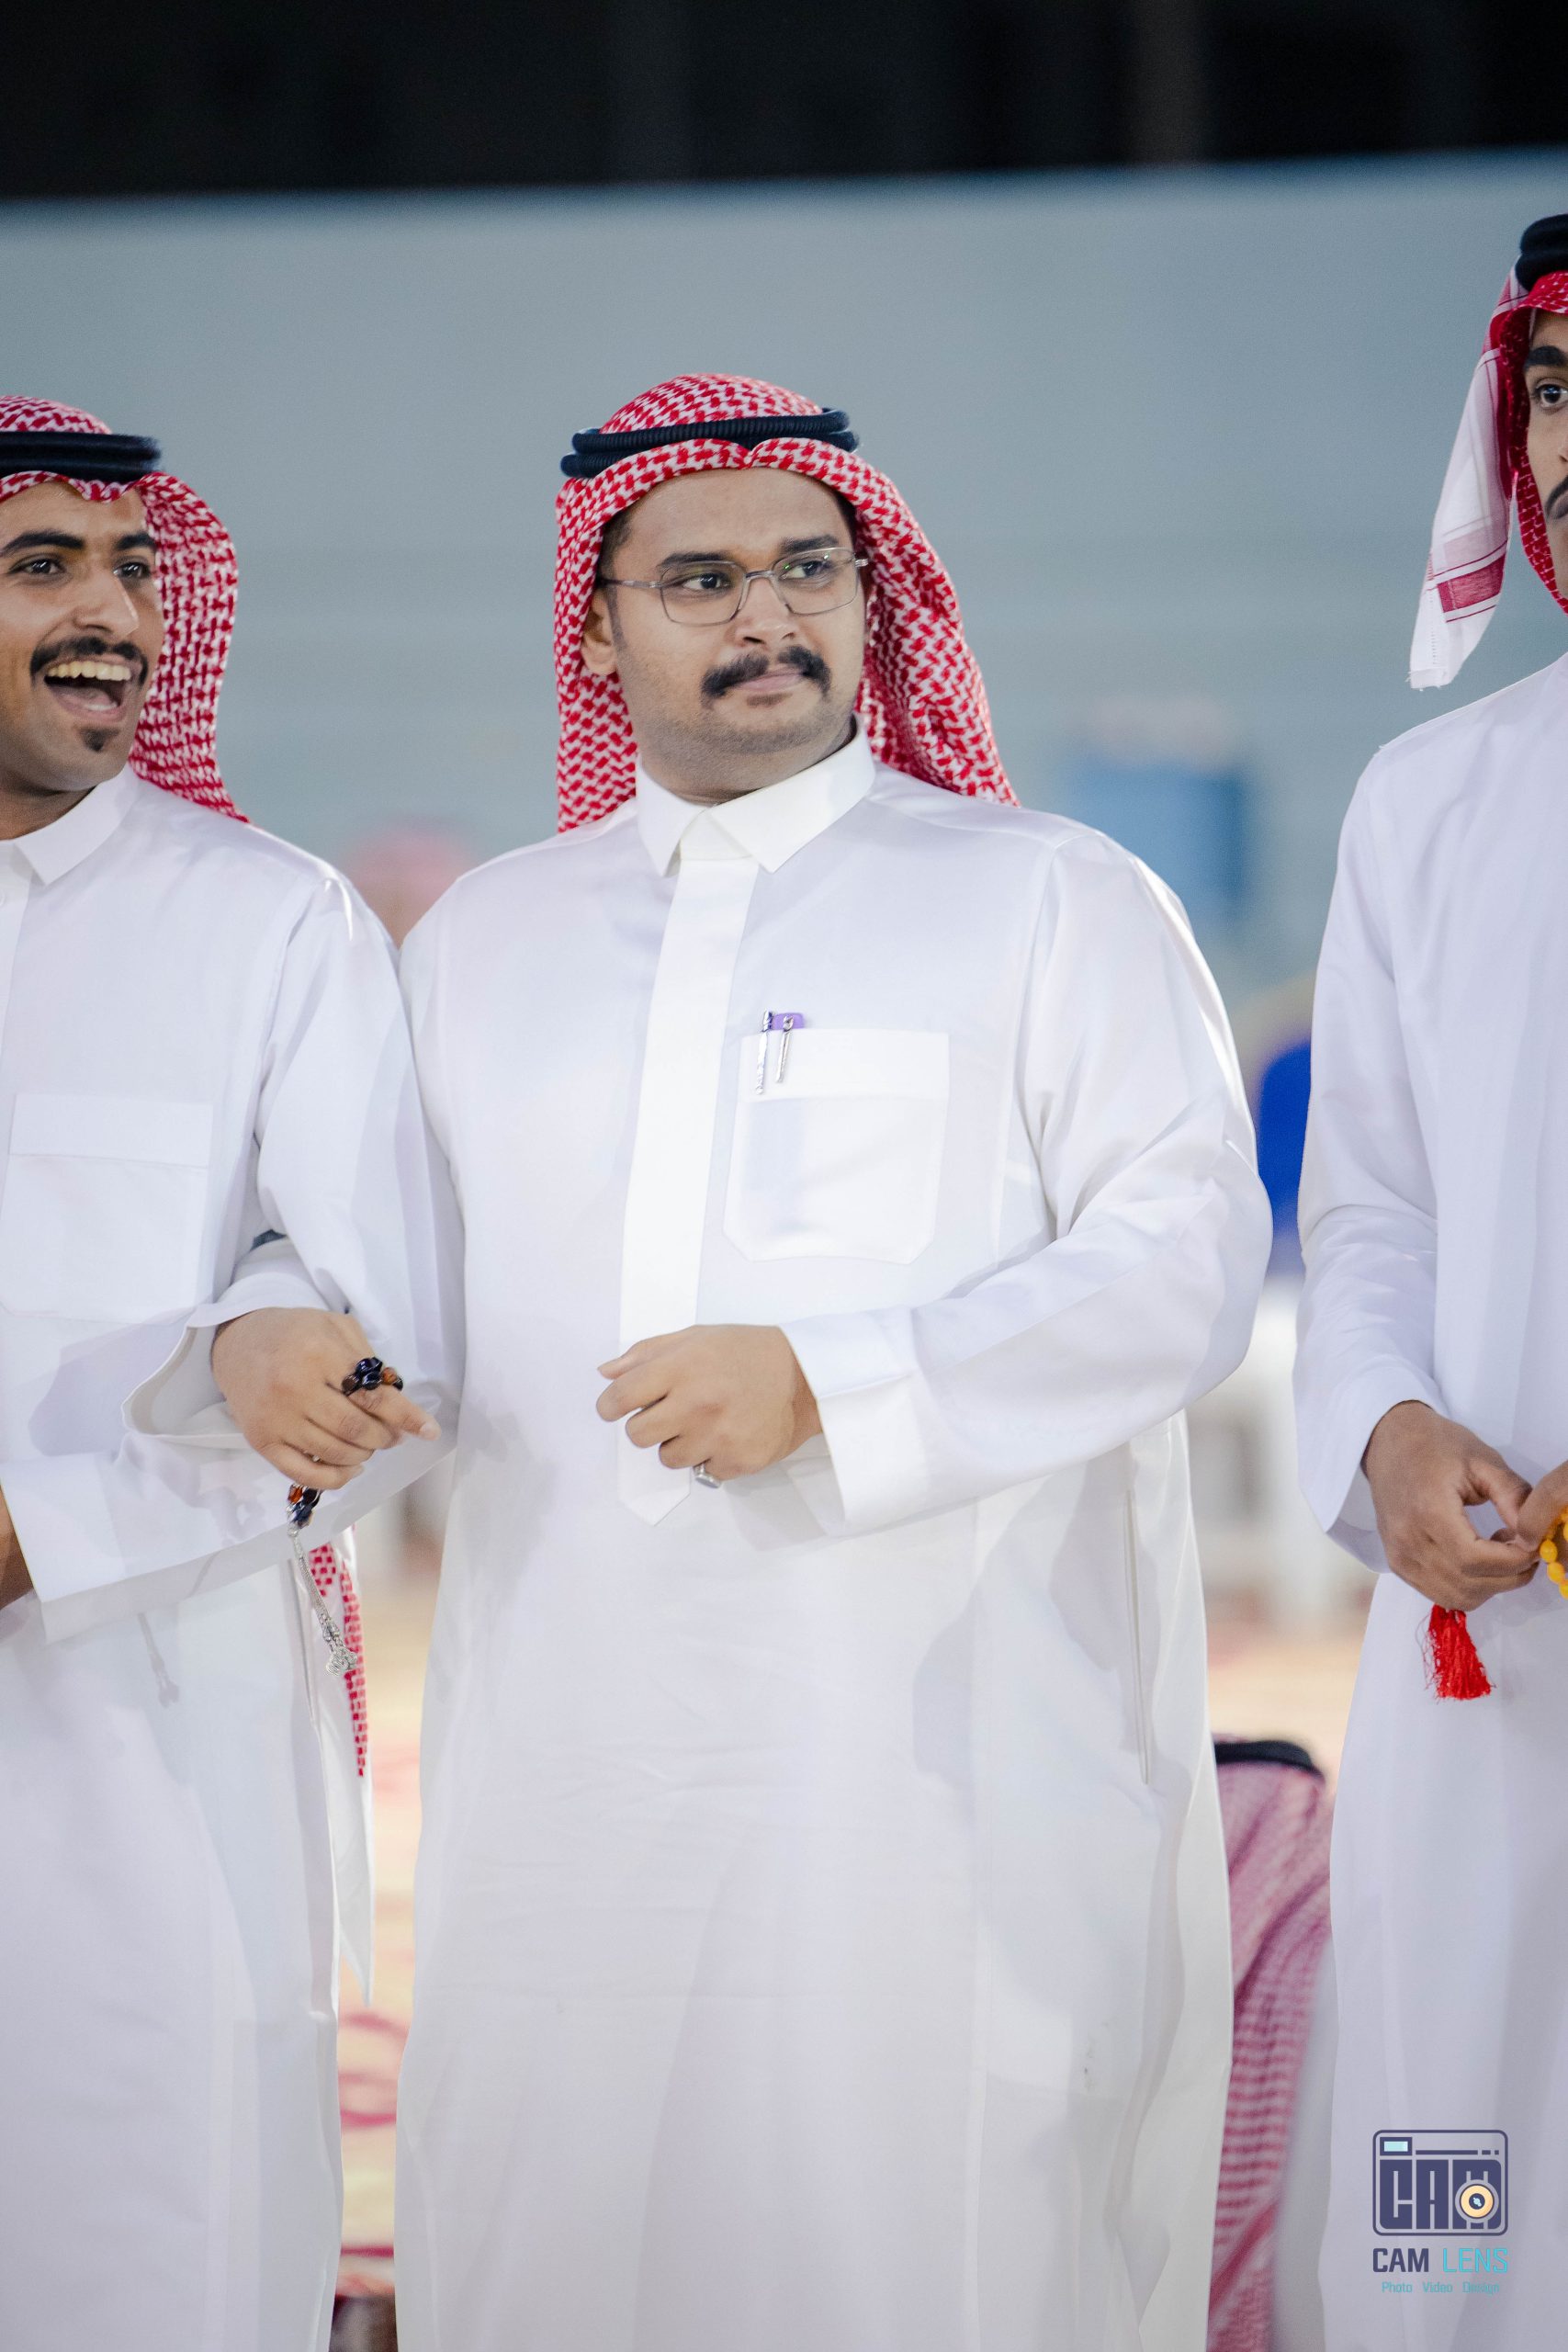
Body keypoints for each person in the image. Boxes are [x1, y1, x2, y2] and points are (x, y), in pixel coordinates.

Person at [240, 372, 1268, 2352]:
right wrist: (283, 1332)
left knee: (923, 2227)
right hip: (571, 1748)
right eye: (699, 579)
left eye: (809, 568)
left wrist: (835, 1377)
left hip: (941, 1747)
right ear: (596, 624)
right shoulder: (486, 941)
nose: (766, 614)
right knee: (578, 2208)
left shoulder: (1050, 897)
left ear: (873, 599)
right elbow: (375, 1279)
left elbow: (1182, 1255)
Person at [0, 399, 459, 2352]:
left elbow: (383, 1343)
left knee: (142, 2241)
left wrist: (44, 1525)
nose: (111, 612)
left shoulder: (267, 923)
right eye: (42, 566)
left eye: (133, 568)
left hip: (144, 1727)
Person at [1294, 215, 1568, 2348]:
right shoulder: (1432, 799)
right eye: (1549, 392)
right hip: (1490, 1642)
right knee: (1446, 2185)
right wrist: (1382, 1425)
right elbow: (1367, 1204)